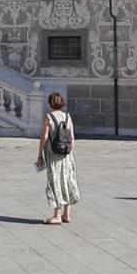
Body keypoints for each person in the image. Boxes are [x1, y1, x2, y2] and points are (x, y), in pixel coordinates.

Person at [37, 91, 79, 225]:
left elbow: (44, 137)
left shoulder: (48, 117)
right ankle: (67, 214)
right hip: (66, 155)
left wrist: (40, 154)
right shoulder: (67, 116)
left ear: (50, 103)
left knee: (55, 182)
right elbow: (72, 138)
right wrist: (68, 152)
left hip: (53, 154)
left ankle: (57, 215)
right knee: (67, 181)